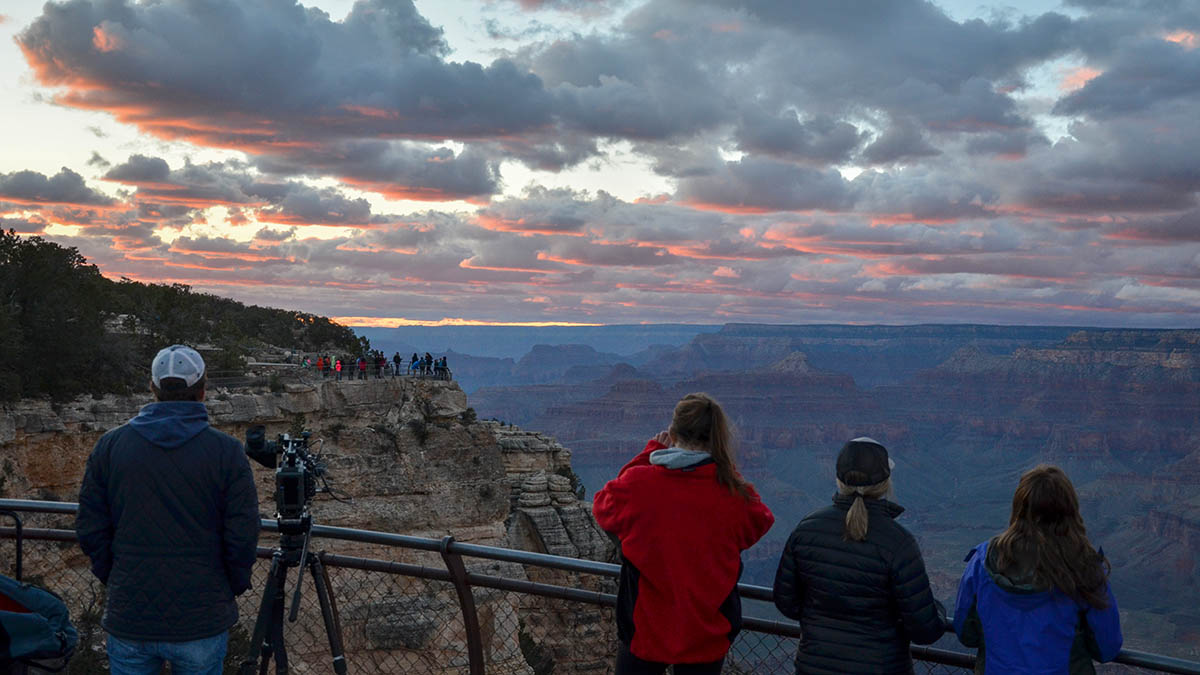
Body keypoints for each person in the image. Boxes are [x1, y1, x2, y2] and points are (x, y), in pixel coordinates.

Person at [75, 345, 259, 675]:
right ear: (203, 390)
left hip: (130, 613)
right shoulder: (227, 452)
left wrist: (115, 576)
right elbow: (242, 534)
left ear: (153, 388)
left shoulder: (111, 445)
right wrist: (228, 586)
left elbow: (90, 527)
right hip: (201, 617)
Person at [593, 393, 774, 675]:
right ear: (715, 438)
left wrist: (648, 453)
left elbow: (604, 504)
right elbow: (761, 520)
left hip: (646, 629)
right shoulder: (733, 495)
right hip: (707, 632)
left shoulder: (639, 483)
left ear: (673, 432)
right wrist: (723, 466)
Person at [772, 437, 945, 674]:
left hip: (814, 666)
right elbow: (925, 631)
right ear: (885, 483)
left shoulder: (806, 529)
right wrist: (938, 610)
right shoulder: (899, 543)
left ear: (839, 479)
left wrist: (820, 617)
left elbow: (785, 601)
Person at [954, 465, 1122, 673]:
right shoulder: (1085, 568)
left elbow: (966, 633)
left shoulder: (982, 562)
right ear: (1069, 509)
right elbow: (1107, 647)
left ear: (1019, 508)